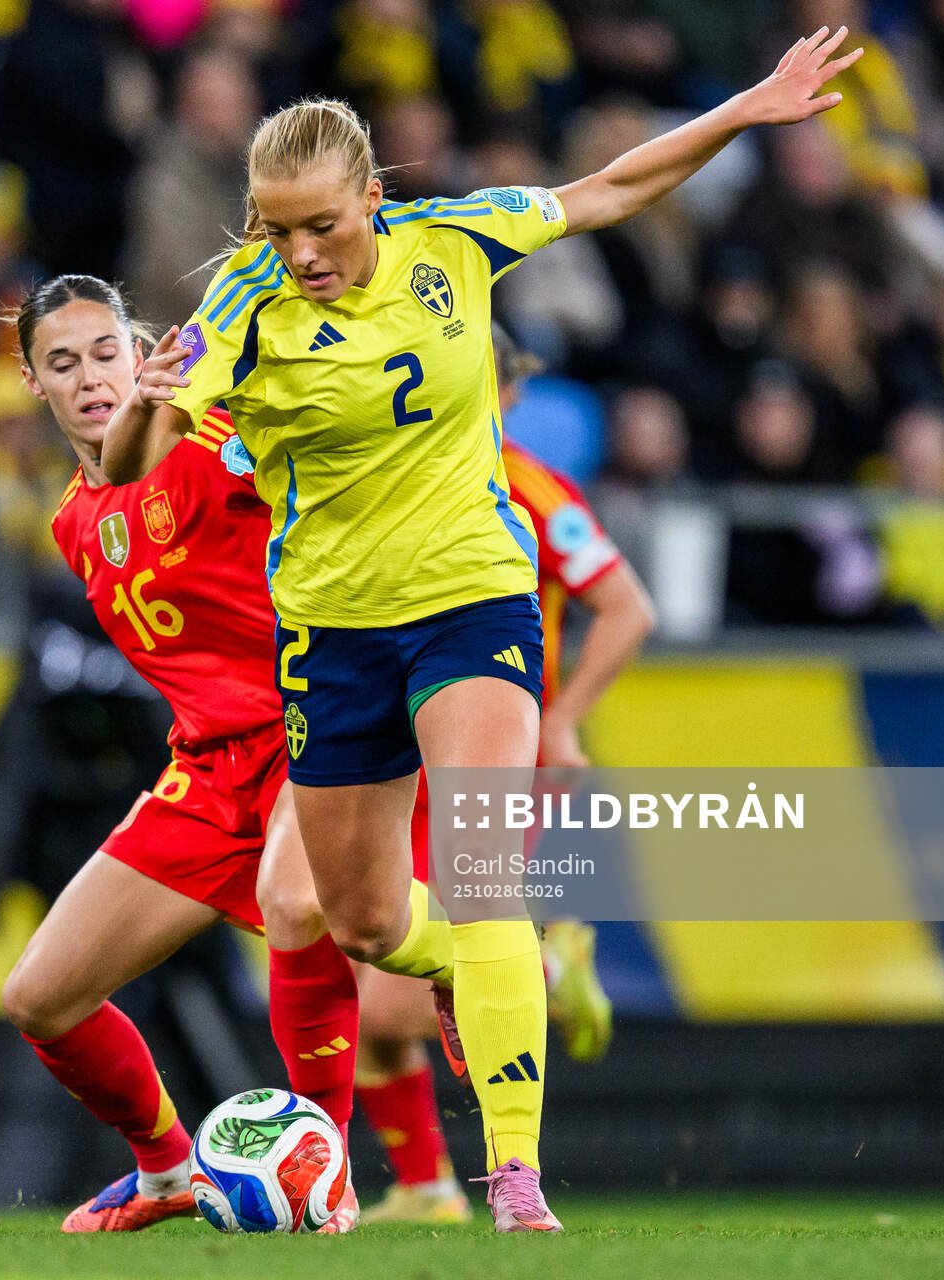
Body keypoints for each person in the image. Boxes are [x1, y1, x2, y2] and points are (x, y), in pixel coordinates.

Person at [101, 27, 862, 1231]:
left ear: (371, 196)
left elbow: (610, 186)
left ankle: (514, 1178)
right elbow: (131, 465)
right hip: (337, 632)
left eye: (322, 226)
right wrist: (141, 409)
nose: (301, 253)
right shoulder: (239, 308)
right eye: (275, 229)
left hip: (472, 598)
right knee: (355, 918)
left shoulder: (453, 238)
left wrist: (741, 112)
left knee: (484, 870)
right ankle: (476, 969)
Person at [3, 275, 362, 1232]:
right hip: (206, 771)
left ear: (141, 351)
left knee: (308, 916)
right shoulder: (72, 523)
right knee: (41, 997)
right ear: (34, 384)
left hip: (312, 730)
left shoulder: (214, 441)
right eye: (63, 363)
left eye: (107, 353)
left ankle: (328, 1167)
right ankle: (165, 1170)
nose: (90, 379)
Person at [354, 326, 654, 1224]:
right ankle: (425, 1186)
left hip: (490, 751)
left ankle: (544, 978)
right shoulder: (382, 471)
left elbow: (626, 607)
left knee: (390, 1002)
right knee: (360, 977)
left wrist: (560, 718)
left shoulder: (526, 486)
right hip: (392, 751)